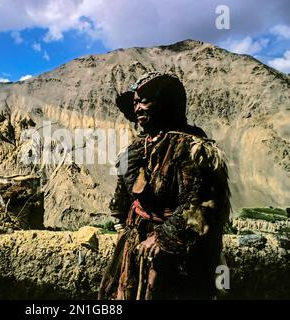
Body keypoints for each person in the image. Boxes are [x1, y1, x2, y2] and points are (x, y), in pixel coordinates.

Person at [98, 72, 230, 300]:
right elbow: (123, 197)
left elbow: (199, 207)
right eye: (136, 102)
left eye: (145, 101)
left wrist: (163, 238)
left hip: (179, 257)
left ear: (166, 102)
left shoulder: (194, 149)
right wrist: (123, 228)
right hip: (135, 247)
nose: (138, 108)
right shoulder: (134, 150)